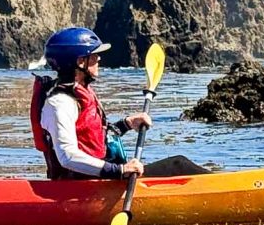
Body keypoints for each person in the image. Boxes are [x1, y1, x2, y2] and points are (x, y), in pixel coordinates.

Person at [31, 27, 206, 180]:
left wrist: (127, 124)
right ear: (79, 62)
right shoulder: (60, 102)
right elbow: (67, 156)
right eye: (93, 55)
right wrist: (119, 171)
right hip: (84, 186)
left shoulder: (79, 93)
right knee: (178, 165)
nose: (98, 59)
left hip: (97, 177)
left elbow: (93, 138)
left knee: (178, 164)